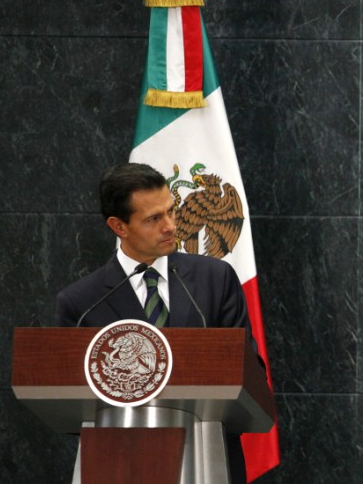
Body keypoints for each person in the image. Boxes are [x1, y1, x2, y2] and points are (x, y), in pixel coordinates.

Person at [56, 162, 260, 484]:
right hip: (121, 464)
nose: (170, 226)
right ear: (118, 226)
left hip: (208, 459)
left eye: (171, 211)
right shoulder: (81, 303)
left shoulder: (215, 279)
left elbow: (250, 373)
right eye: (154, 218)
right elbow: (71, 403)